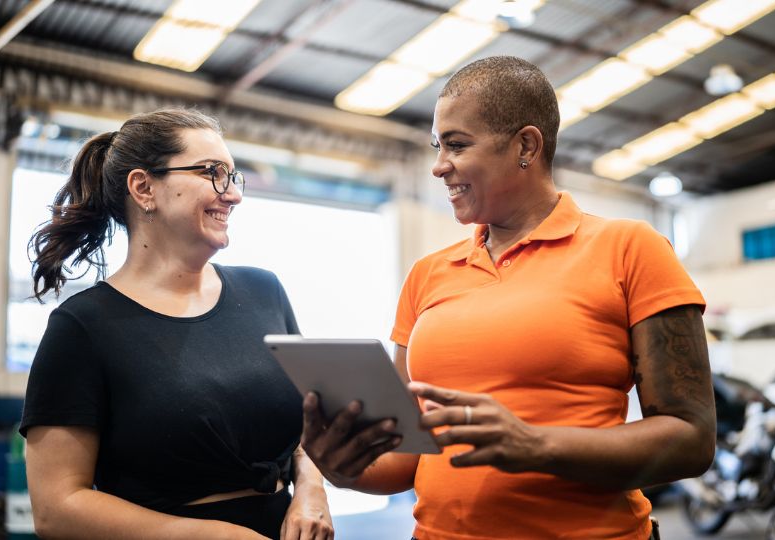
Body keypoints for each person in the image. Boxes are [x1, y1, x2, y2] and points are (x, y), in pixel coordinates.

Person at [301, 57, 715, 539]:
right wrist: (340, 467)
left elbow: (692, 438)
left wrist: (536, 445)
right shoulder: (427, 274)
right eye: (438, 146)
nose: (438, 166)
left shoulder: (630, 247)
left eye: (456, 145)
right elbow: (406, 458)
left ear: (526, 145)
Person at [21, 108, 333, 540]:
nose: (234, 194)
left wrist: (312, 490)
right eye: (212, 173)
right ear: (144, 187)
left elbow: (308, 428)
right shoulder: (83, 326)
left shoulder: (264, 292)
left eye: (232, 176)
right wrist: (212, 535)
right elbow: (57, 508)